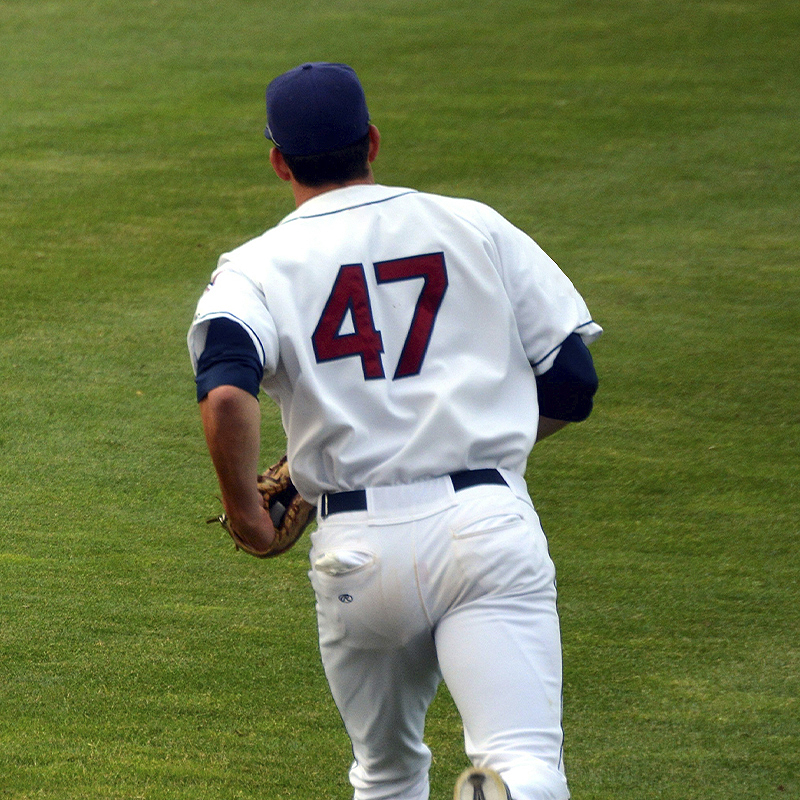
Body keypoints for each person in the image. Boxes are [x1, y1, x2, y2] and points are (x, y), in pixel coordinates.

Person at [188, 61, 602, 800]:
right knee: (523, 757)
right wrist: (470, 435)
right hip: (485, 525)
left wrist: (251, 516)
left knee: (384, 773)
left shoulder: (253, 267)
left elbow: (225, 395)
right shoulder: (475, 224)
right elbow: (572, 379)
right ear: (372, 142)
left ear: (279, 160)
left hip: (358, 549)